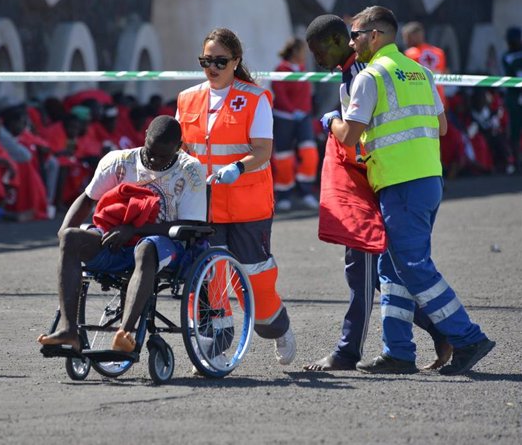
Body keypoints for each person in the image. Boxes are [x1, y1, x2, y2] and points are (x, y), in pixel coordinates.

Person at [322, 6, 494, 375]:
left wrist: (332, 121)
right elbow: (443, 127)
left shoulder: (371, 77)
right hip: (429, 178)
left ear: (376, 35)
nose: (352, 42)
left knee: (413, 267)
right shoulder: (421, 72)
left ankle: (467, 337)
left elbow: (350, 137)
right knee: (392, 267)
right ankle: (398, 351)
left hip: (400, 182)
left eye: (355, 35)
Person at [303, 14, 452, 372]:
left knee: (366, 270)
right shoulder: (369, 70)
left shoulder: (362, 74)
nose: (315, 58)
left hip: (376, 182)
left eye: (319, 49)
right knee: (383, 274)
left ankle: (347, 351)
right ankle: (440, 332)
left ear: (341, 40)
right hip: (402, 178)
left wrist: (330, 122)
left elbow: (353, 136)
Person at [176, 27, 296, 365]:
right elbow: (182, 149)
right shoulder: (187, 99)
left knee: (255, 278)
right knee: (207, 276)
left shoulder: (255, 99)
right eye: (206, 61)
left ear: (236, 61)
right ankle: (215, 346)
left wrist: (236, 168)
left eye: (220, 61)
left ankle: (277, 328)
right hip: (205, 205)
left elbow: (262, 151)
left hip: (248, 205)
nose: (212, 68)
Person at [37, 115, 207, 352]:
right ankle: (69, 330)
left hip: (166, 244)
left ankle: (125, 333)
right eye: (150, 152)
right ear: (145, 135)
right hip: (117, 240)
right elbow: (87, 199)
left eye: (163, 156)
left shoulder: (191, 171)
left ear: (178, 148)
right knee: (71, 238)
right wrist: (64, 231)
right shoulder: (119, 161)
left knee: (146, 247)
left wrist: (132, 230)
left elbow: (188, 225)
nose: (155, 161)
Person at [271, 37, 319, 211]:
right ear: (294, 51)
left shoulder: (303, 69)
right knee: (284, 158)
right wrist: (292, 111)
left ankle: (305, 191)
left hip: (303, 118)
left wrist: (305, 113)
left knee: (310, 154)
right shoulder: (280, 69)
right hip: (284, 118)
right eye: (302, 50)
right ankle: (284, 195)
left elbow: (306, 95)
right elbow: (280, 94)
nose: (305, 54)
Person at [402, 22, 448, 109]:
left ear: (414, 36)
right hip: (440, 100)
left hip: (419, 101)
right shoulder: (439, 53)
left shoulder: (409, 54)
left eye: (406, 37)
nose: (405, 41)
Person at [502, 26, 522, 173]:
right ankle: (516, 163)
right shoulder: (507, 57)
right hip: (514, 97)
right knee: (514, 131)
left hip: (515, 97)